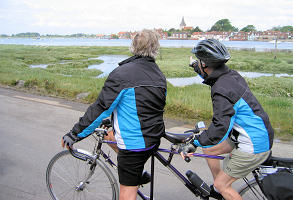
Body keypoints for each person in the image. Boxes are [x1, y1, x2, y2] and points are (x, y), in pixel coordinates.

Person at [61, 29, 167, 200]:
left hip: (134, 145)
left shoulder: (121, 74)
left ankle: (133, 175)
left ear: (133, 47)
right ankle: (136, 173)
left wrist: (75, 134)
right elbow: (149, 108)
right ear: (156, 48)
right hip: (154, 138)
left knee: (126, 193)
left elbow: (101, 107)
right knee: (110, 136)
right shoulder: (159, 75)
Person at [186, 39, 274, 200]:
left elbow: (220, 128)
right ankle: (223, 188)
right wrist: (197, 68)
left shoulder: (221, 90)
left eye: (200, 61)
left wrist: (194, 142)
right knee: (209, 148)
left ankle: (222, 186)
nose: (198, 63)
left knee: (221, 184)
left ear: (206, 64)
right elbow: (213, 75)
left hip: (253, 144)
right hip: (256, 134)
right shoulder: (230, 75)